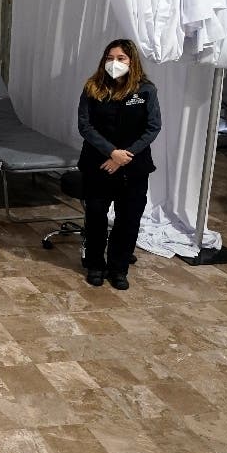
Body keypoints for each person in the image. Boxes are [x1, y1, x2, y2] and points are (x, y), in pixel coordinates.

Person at [76, 38, 162, 291]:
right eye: (110, 58)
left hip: (133, 167)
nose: (115, 63)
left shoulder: (145, 90)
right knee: (95, 216)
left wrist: (125, 156)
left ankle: (118, 268)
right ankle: (94, 265)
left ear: (131, 61)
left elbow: (152, 127)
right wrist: (112, 153)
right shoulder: (92, 87)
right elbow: (85, 126)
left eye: (121, 58)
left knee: (128, 220)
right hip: (97, 164)